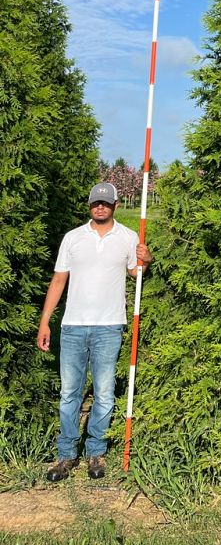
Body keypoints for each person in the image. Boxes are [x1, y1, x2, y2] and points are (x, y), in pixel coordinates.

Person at [37, 182, 153, 481]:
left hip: (109, 326)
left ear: (114, 205)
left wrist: (146, 260)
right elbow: (59, 281)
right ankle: (66, 456)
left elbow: (135, 272)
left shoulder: (128, 238)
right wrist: (45, 320)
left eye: (105, 203)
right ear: (90, 205)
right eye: (94, 203)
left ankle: (96, 453)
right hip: (73, 325)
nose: (99, 207)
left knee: (103, 393)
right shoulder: (73, 238)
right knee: (69, 394)